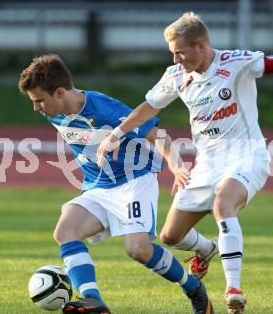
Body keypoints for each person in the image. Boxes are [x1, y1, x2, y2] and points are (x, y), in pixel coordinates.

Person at [96, 12, 273, 314]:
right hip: (207, 164)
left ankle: (233, 289)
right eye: (173, 53)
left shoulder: (237, 63)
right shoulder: (176, 76)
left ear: (201, 46)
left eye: (180, 52)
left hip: (246, 155)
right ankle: (207, 249)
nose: (176, 59)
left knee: (223, 204)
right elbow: (148, 108)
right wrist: (117, 134)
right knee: (170, 236)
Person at [18, 54, 216, 314]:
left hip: (135, 181)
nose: (36, 108)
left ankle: (194, 289)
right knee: (65, 231)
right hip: (98, 187)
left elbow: (160, 136)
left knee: (138, 249)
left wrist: (177, 166)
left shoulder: (104, 109)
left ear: (59, 92)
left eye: (39, 100)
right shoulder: (52, 111)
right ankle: (93, 299)